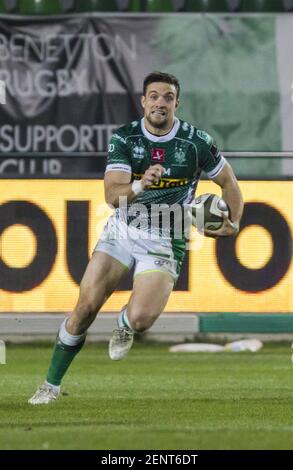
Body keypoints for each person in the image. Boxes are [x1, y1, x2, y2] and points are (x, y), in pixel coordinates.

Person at [28, 71, 244, 405]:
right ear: (143, 101)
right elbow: (112, 196)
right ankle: (50, 385)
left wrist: (235, 222)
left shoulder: (195, 142)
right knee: (85, 307)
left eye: (168, 97)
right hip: (123, 230)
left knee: (143, 319)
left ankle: (125, 324)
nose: (161, 102)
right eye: (154, 96)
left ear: (176, 102)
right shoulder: (125, 138)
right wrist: (144, 184)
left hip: (166, 236)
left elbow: (229, 182)